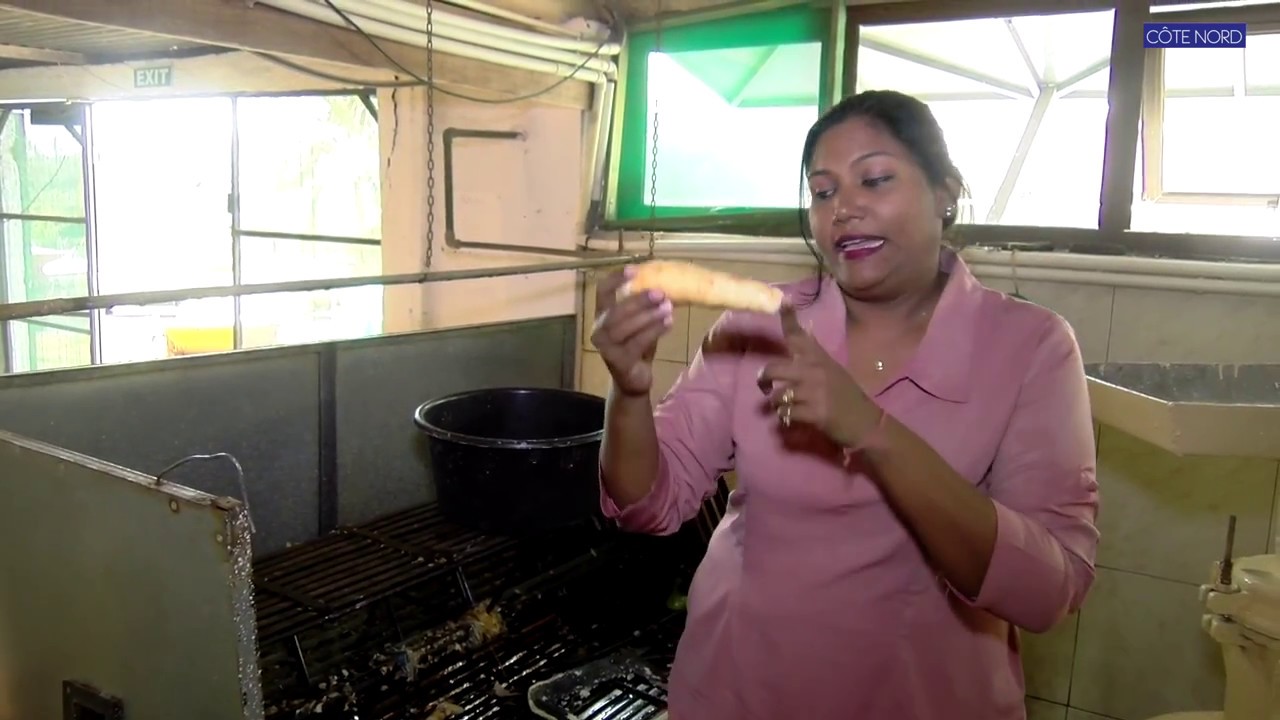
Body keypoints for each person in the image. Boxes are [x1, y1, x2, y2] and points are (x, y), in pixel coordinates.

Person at [588, 89, 1100, 720]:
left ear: (946, 192)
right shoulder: (761, 323)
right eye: (823, 192)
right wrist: (629, 392)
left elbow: (1048, 590)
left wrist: (872, 429)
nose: (844, 210)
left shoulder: (1031, 348)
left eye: (876, 179)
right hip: (736, 688)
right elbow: (648, 505)